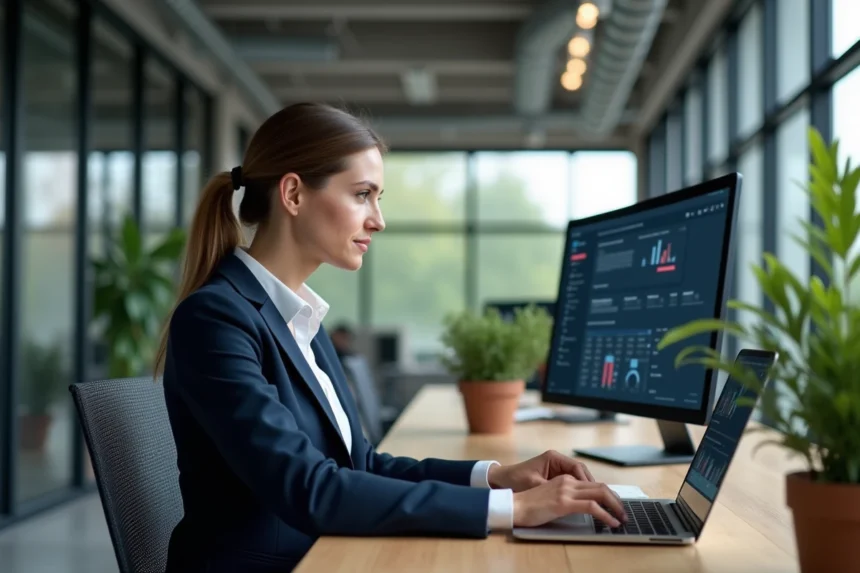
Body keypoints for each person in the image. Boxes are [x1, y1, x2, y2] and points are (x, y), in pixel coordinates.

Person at [154, 102, 627, 573]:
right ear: (293, 194)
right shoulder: (215, 318)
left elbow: (360, 464)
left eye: (378, 198)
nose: (378, 219)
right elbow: (308, 489)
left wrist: (498, 478)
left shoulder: (298, 317)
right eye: (362, 194)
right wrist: (516, 511)